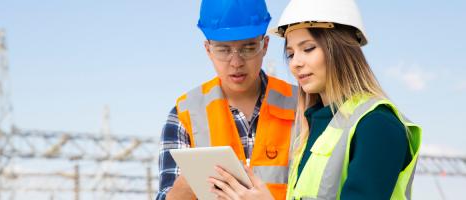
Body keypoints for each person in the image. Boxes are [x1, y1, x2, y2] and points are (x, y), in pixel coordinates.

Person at [207, 0, 423, 199]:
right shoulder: (311, 129)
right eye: (291, 54)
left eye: (308, 49)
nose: (295, 63)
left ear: (341, 48)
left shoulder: (377, 125)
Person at [156, 0, 299, 199]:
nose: (236, 62)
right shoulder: (185, 114)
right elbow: (166, 194)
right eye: (223, 50)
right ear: (208, 50)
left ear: (265, 46)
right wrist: (186, 184)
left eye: (248, 48)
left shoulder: (302, 104)